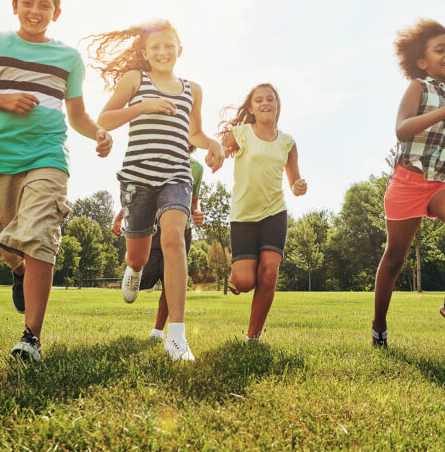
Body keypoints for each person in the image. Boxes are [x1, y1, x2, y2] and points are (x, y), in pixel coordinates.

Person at [0, 0, 112, 363]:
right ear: (15, 5)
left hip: (48, 156)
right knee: (4, 240)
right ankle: (18, 269)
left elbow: (77, 115)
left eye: (45, 5)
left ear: (56, 13)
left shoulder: (67, 58)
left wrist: (97, 132)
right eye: (28, 2)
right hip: (0, 159)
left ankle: (31, 339)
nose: (35, 10)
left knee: (41, 234)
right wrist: (2, 100)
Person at [86, 19, 224, 361]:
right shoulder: (136, 79)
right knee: (139, 255)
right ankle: (133, 270)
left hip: (176, 175)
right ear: (145, 52)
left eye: (169, 46)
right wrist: (143, 106)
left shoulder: (193, 89)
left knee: (175, 237)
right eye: (155, 47)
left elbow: (194, 135)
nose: (162, 52)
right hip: (138, 176)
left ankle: (176, 336)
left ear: (180, 50)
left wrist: (214, 144)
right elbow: (104, 120)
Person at [372, 19, 445, 347]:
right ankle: (379, 324)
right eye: (441, 49)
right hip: (409, 180)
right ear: (423, 61)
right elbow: (402, 130)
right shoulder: (419, 87)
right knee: (394, 257)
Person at [219, 83, 306, 342]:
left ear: (277, 105)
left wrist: (298, 186)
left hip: (274, 212)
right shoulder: (241, 132)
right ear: (251, 108)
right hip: (244, 215)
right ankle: (246, 272)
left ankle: (253, 337)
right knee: (244, 282)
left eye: (270, 99)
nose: (266, 103)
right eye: (259, 100)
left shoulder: (288, 143)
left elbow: (294, 182)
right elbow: (220, 152)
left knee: (269, 273)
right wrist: (215, 158)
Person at [111, 148, 204, 341]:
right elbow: (143, 196)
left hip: (181, 229)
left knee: (172, 279)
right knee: (148, 275)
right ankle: (134, 267)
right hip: (156, 227)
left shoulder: (196, 168)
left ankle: (158, 330)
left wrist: (197, 212)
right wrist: (120, 218)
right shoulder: (160, 156)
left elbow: (194, 201)